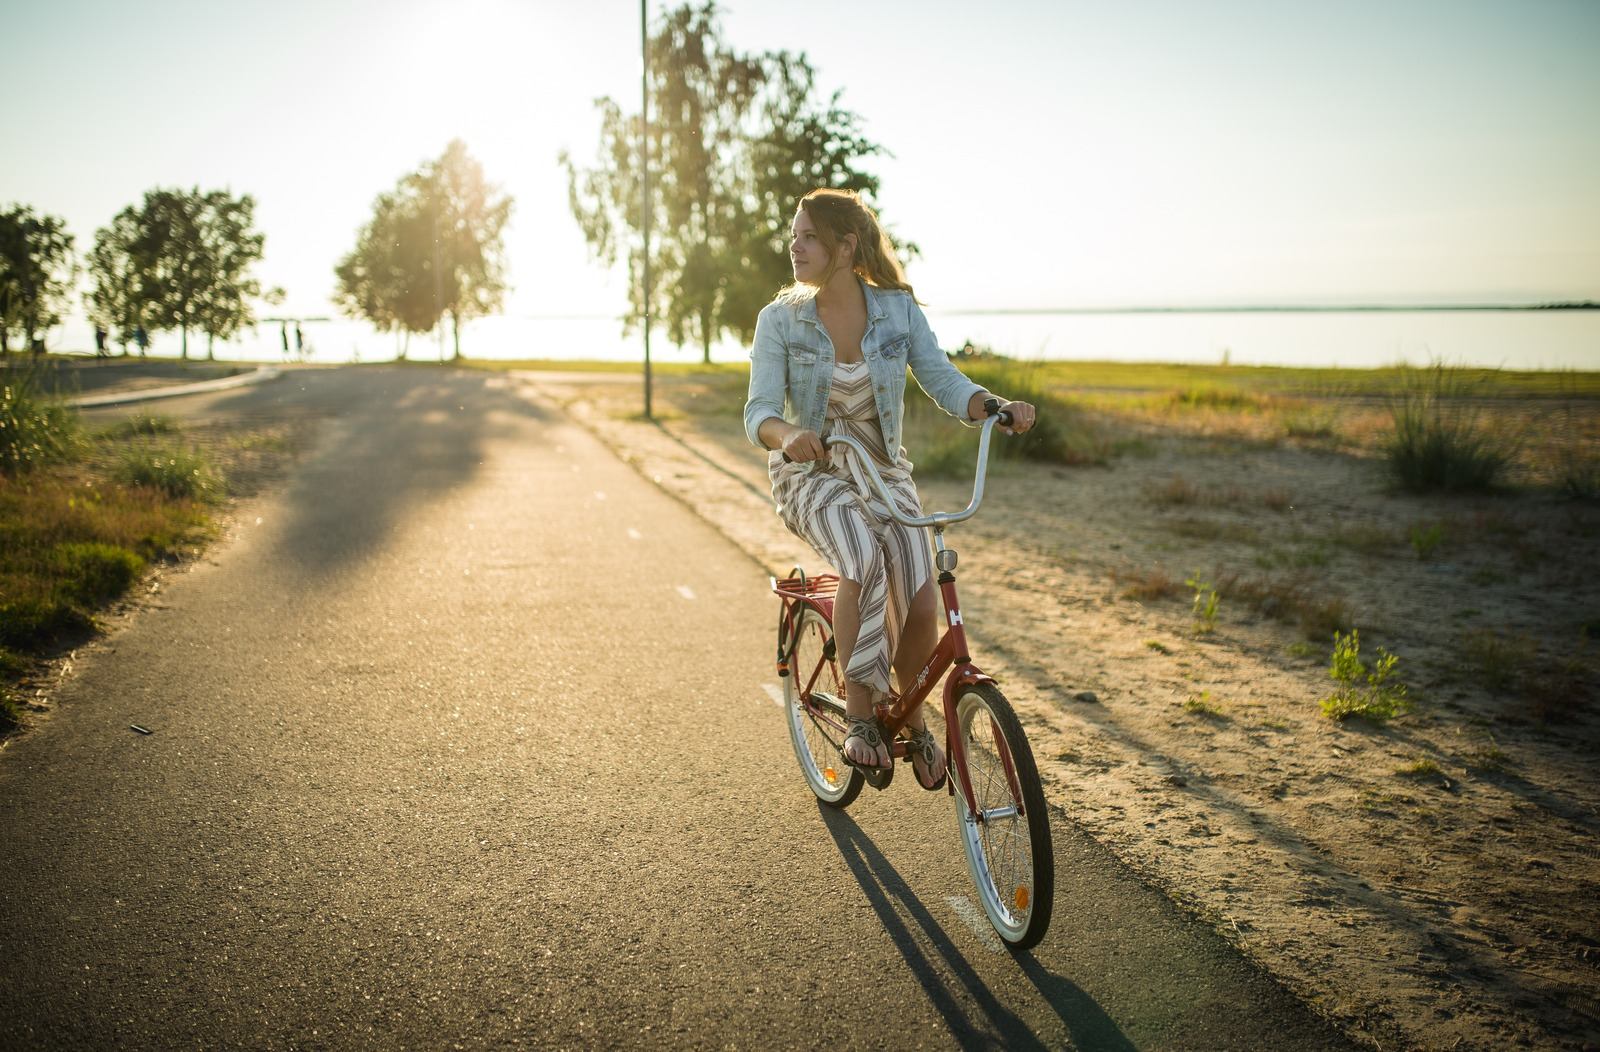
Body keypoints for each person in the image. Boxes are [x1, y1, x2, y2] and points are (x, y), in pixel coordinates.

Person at [743, 188, 1037, 788]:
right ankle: (859, 719)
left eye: (807, 236)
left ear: (844, 247)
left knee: (920, 585)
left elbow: (941, 377)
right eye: (794, 234)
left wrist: (992, 406)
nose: (793, 246)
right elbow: (759, 414)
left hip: (883, 472)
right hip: (812, 474)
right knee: (865, 557)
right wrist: (790, 434)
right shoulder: (780, 319)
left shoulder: (897, 312)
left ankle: (916, 719)